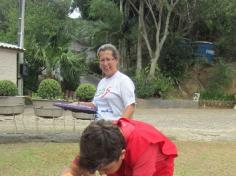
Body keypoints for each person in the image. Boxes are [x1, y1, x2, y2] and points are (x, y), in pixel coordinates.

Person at [61, 118, 178, 176]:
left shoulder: (143, 146)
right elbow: (72, 170)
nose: (101, 173)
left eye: (105, 169)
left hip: (157, 168)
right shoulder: (96, 141)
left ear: (122, 154)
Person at [78, 44, 136, 120]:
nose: (105, 64)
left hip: (114, 129)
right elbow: (95, 105)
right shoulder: (102, 82)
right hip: (100, 127)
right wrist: (78, 104)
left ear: (116, 60)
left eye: (108, 59)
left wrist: (119, 126)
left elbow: (130, 107)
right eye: (102, 60)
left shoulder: (123, 81)